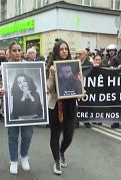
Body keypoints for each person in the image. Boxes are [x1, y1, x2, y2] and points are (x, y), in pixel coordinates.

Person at [0, 42, 34, 175]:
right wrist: (0, 90)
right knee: (13, 135)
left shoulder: (30, 66)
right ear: (9, 52)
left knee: (27, 134)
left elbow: (35, 83)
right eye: (14, 50)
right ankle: (13, 160)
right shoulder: (3, 68)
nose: (17, 53)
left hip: (28, 107)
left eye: (19, 50)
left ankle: (24, 156)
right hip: (11, 107)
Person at [47, 40, 78, 175]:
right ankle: (57, 160)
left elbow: (79, 86)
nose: (64, 51)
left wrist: (82, 91)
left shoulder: (74, 66)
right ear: (56, 51)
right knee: (55, 134)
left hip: (71, 105)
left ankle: (62, 151)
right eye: (61, 49)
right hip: (56, 106)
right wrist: (52, 75)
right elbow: (49, 88)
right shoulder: (52, 67)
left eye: (66, 49)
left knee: (69, 135)